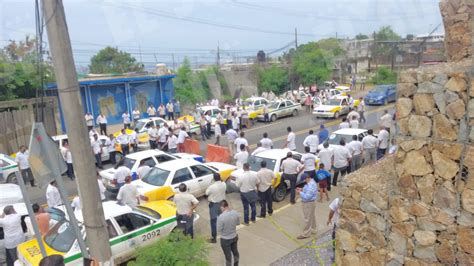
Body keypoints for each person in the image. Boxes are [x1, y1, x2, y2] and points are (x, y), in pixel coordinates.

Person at [217, 200, 240, 266]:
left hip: (225, 239)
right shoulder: (235, 213)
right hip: (234, 236)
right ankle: (236, 264)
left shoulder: (221, 217)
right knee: (235, 252)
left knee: (228, 256)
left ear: (222, 207)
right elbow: (238, 223)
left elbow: (219, 229)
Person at [205, 173, 226, 243]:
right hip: (222, 203)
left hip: (214, 205)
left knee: (213, 221)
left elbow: (206, 193)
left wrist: (211, 184)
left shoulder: (212, 186)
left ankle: (214, 238)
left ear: (214, 178)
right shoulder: (224, 184)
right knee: (223, 219)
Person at [295, 173, 318, 239]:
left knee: (307, 218)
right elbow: (307, 190)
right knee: (312, 216)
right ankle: (313, 229)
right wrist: (301, 189)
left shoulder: (311, 185)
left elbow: (307, 197)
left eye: (304, 180)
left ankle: (306, 234)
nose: (304, 181)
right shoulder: (311, 181)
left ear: (307, 178)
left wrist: (300, 192)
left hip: (308, 203)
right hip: (311, 202)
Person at [327, 197, 340, 262]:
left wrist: (329, 219)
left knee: (334, 239)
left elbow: (332, 211)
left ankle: (335, 256)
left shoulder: (337, 200)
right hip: (344, 226)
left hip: (337, 225)